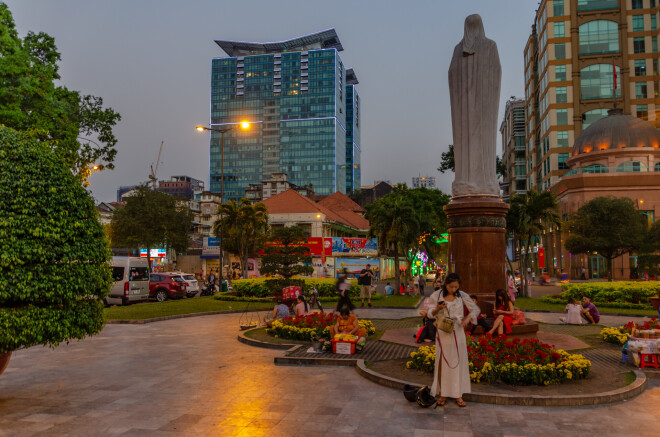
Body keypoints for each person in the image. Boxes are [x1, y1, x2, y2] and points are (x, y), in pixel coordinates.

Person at [427, 273, 480, 408]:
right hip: (444, 332)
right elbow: (428, 312)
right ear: (445, 284)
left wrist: (467, 319)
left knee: (458, 362)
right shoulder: (436, 295)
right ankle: (443, 393)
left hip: (458, 331)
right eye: (451, 286)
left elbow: (475, 309)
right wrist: (438, 308)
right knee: (444, 363)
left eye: (456, 287)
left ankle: (458, 394)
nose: (454, 289)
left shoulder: (461, 295)